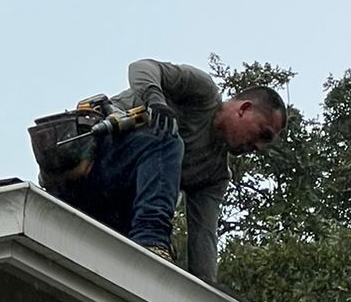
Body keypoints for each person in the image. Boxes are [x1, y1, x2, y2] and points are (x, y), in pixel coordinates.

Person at [41, 59, 286, 283]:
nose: (257, 146)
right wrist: (155, 100)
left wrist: (205, 294)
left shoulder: (215, 175)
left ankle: (146, 245)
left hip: (108, 208)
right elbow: (141, 67)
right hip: (88, 167)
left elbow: (204, 237)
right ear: (243, 108)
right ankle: (151, 242)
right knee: (169, 138)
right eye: (263, 134)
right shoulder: (202, 92)